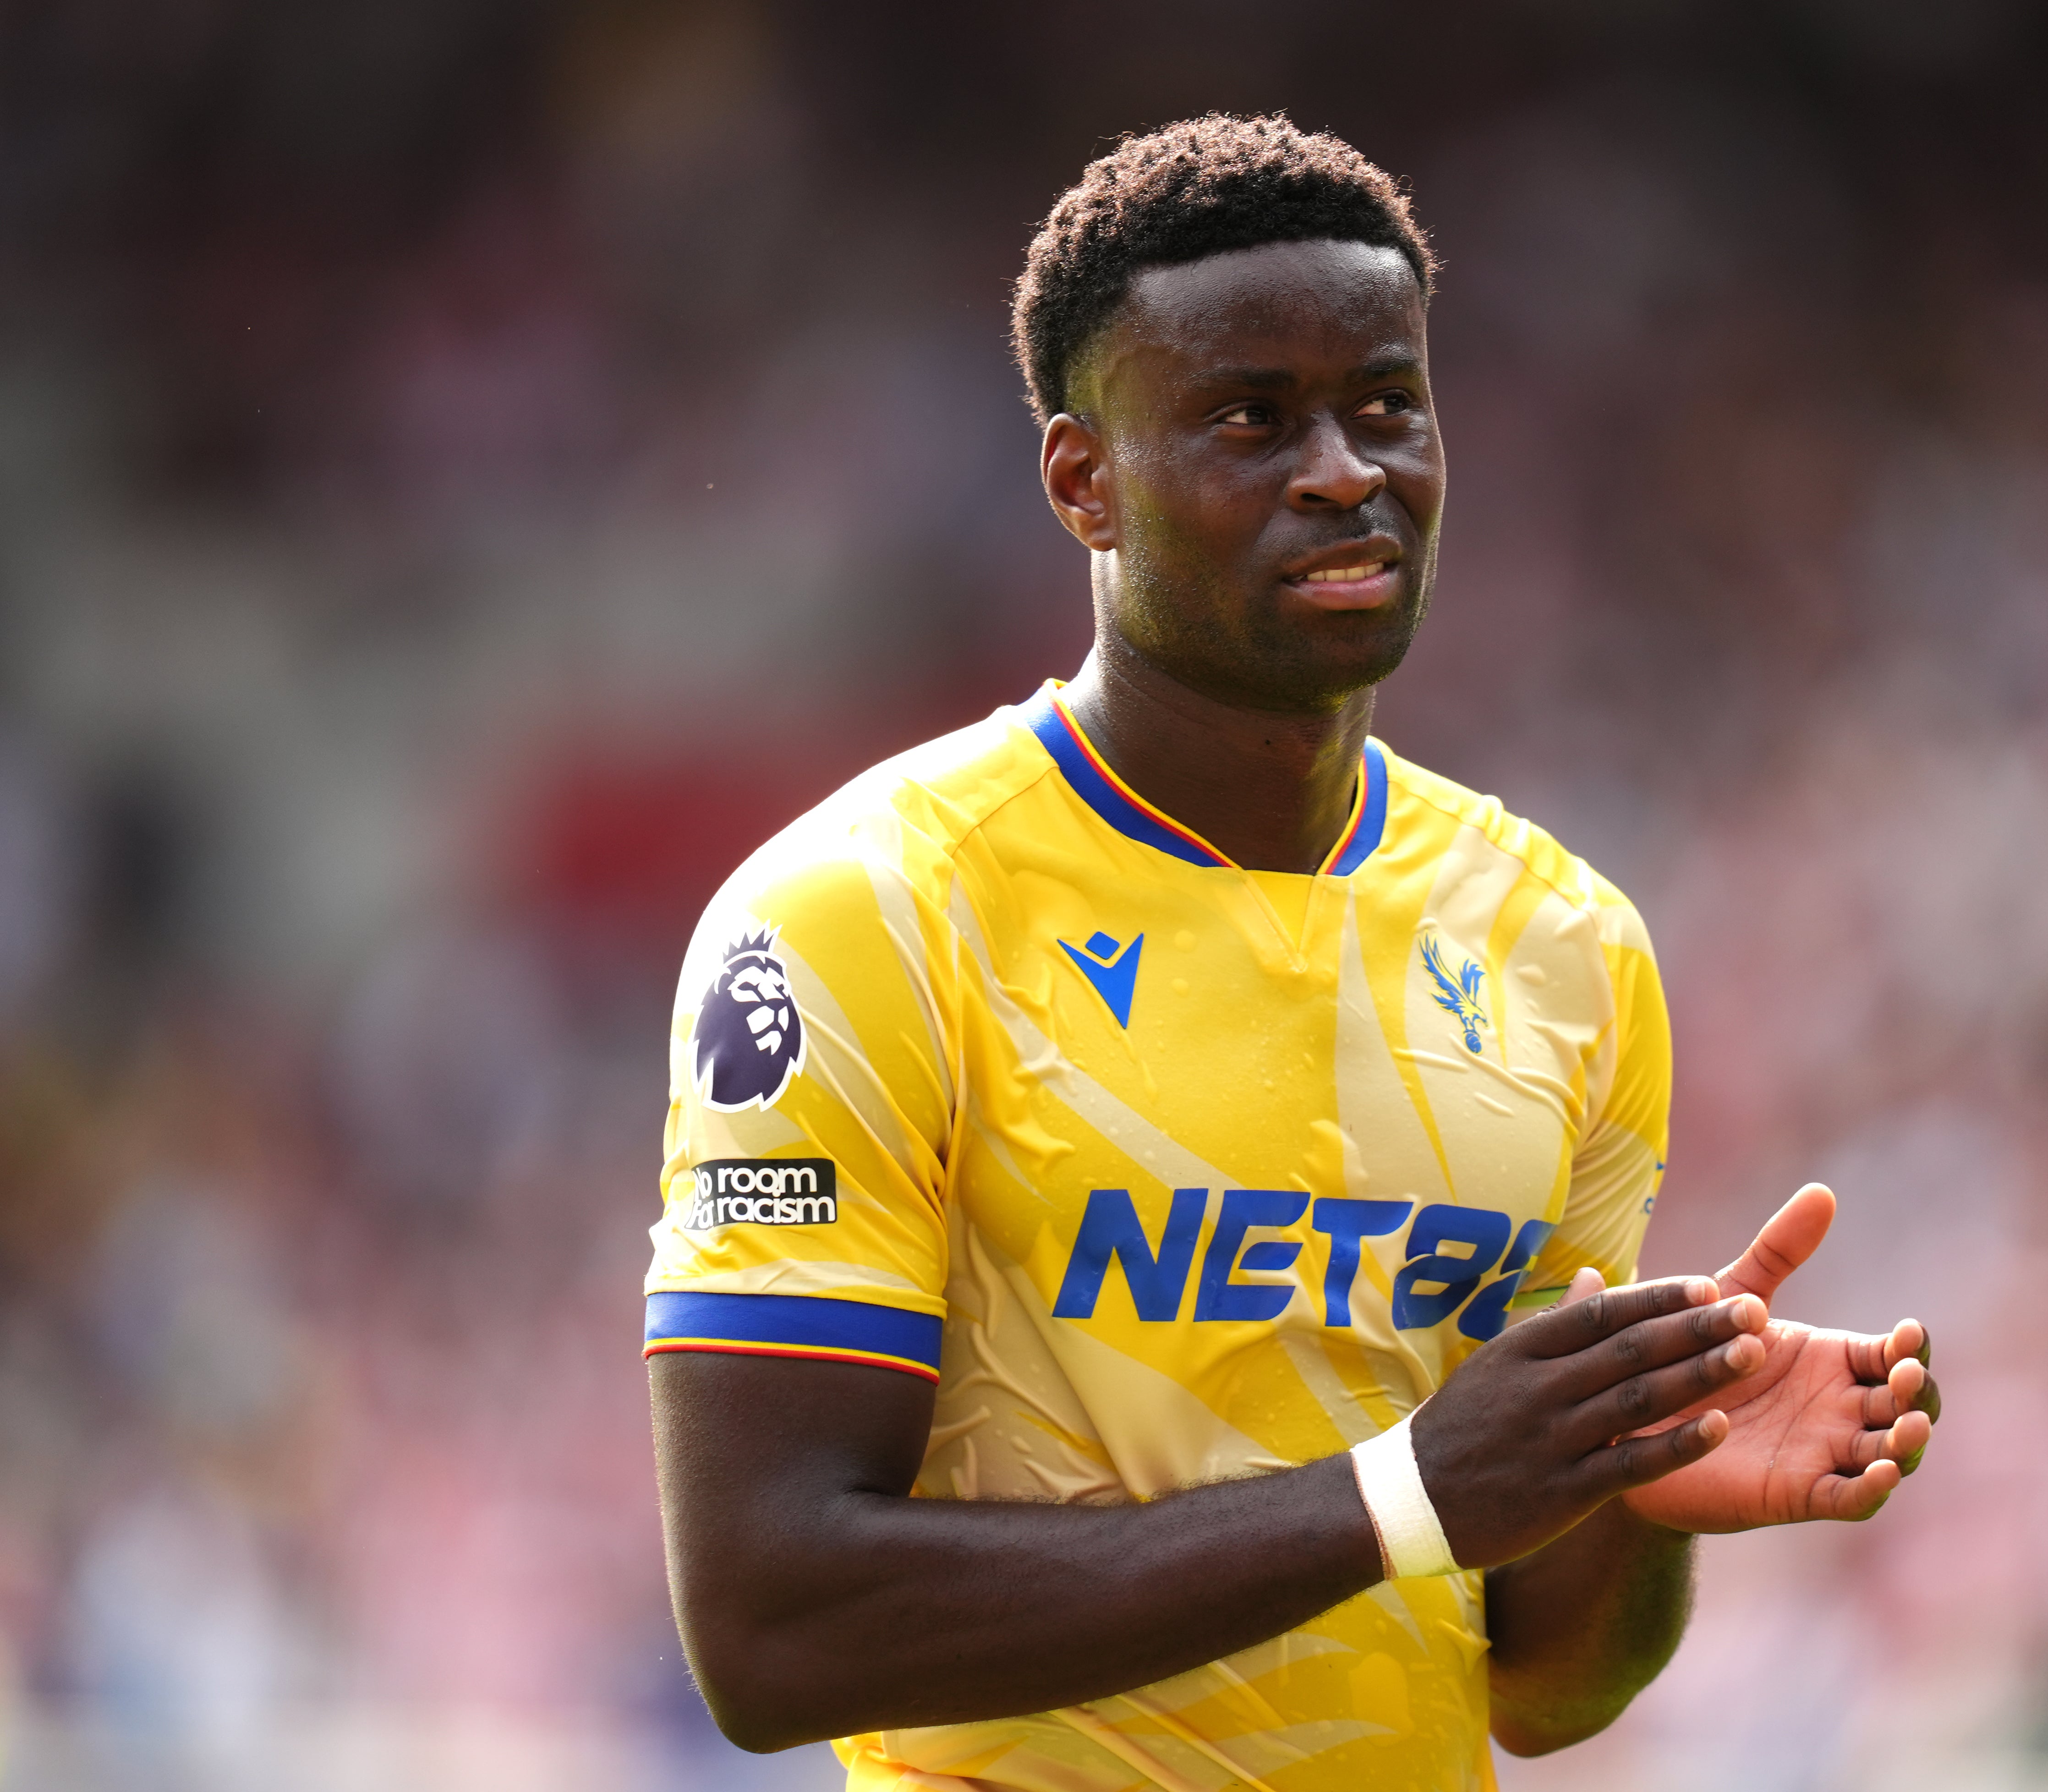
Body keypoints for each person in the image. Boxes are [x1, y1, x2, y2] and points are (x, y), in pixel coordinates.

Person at [645, 115, 1939, 1792]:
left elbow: (1539, 1688)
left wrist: (1634, 1492)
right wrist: (1408, 1492)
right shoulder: (858, 914)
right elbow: (771, 1631)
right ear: (1080, 480)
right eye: (1251, 418)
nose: (1345, 468)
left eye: (1386, 402)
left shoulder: (1560, 943)